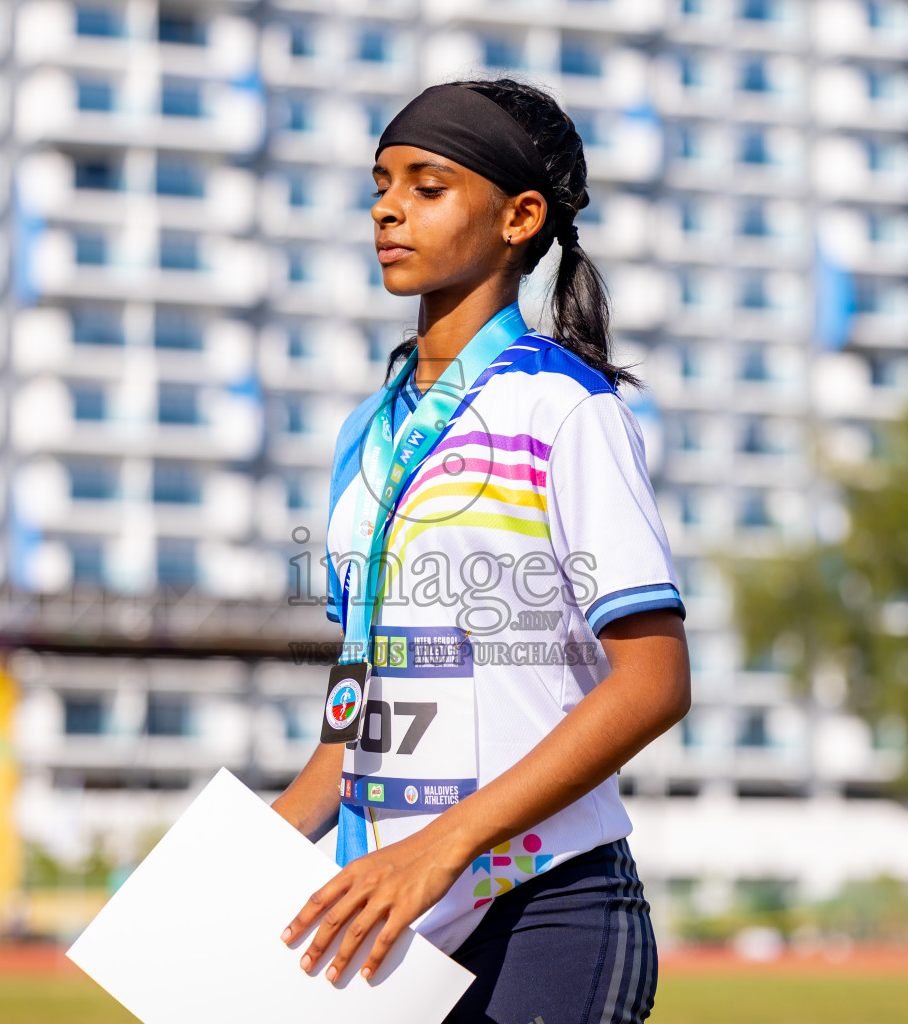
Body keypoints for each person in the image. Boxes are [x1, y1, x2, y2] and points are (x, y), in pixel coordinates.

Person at [272, 78, 690, 1024]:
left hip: (544, 905)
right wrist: (249, 848)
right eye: (381, 184)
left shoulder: (565, 409)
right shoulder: (362, 437)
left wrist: (443, 846)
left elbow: (654, 681)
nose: (386, 207)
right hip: (392, 927)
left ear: (520, 217)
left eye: (426, 186)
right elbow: (358, 711)